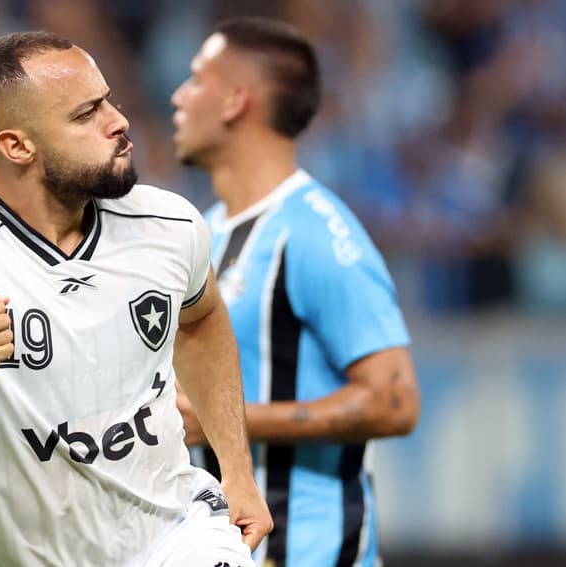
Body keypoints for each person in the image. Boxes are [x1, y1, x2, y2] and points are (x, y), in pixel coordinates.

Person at [0, 30, 272, 566]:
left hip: (174, 535)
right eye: (85, 114)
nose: (118, 121)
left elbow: (202, 319)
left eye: (109, 100)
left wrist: (235, 471)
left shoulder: (168, 223)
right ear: (17, 146)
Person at [170, 17, 420, 567]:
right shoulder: (202, 233)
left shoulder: (319, 234)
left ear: (237, 101)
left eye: (196, 80)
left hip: (314, 552)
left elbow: (395, 400)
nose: (178, 97)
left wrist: (225, 420)